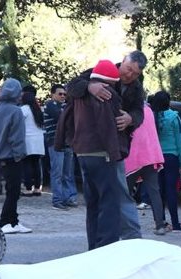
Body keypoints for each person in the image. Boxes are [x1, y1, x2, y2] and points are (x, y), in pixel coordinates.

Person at [67, 50, 146, 240]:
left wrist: (130, 118)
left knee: (117, 193)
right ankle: (105, 244)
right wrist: (89, 87)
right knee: (99, 199)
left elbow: (139, 112)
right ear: (122, 62)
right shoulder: (101, 71)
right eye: (128, 69)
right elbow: (72, 86)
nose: (129, 75)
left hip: (114, 147)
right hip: (93, 146)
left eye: (135, 73)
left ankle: (130, 237)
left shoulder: (136, 88)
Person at [64, 59, 129, 249]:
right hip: (102, 153)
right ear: (110, 82)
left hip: (82, 153)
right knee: (109, 203)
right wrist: (115, 151)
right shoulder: (107, 95)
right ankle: (107, 249)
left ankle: (93, 247)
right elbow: (108, 126)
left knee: (92, 203)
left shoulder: (79, 96)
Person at [0, 78, 32, 234]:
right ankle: (5, 222)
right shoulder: (16, 111)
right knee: (14, 191)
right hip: (12, 156)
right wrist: (19, 155)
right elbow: (17, 137)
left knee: (11, 190)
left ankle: (14, 222)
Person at [124, 104, 167, 235]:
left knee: (124, 193)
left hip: (133, 156)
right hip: (151, 155)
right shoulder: (148, 109)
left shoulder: (128, 109)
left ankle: (124, 225)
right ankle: (160, 225)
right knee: (154, 192)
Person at [151, 90, 181, 231]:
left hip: (156, 157)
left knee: (158, 190)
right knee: (171, 190)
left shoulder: (152, 117)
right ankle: (176, 223)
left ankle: (160, 222)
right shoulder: (174, 117)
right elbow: (180, 141)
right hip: (171, 157)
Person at [44, 84, 78, 210]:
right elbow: (63, 118)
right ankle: (57, 200)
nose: (63, 96)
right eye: (60, 94)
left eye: (65, 94)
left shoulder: (65, 106)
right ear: (52, 94)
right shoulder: (49, 105)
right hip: (55, 143)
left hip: (67, 143)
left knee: (68, 174)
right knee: (57, 173)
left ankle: (68, 198)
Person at [20, 86, 45, 197]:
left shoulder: (23, 109)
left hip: (28, 139)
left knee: (27, 164)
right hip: (38, 140)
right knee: (36, 164)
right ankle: (37, 188)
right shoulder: (38, 109)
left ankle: (28, 188)